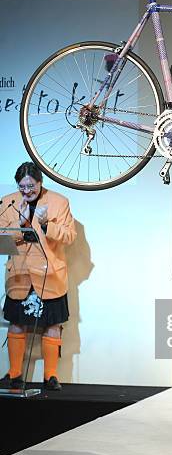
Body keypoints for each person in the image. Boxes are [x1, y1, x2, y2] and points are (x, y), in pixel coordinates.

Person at [0, 162, 76, 390]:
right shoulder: (8, 202)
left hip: (50, 274)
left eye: (31, 186)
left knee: (53, 323)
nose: (26, 191)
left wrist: (46, 226)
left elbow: (70, 236)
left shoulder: (59, 202)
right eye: (22, 186)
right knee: (16, 323)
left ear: (40, 182)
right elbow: (2, 238)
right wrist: (20, 222)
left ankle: (51, 376)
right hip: (20, 273)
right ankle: (14, 374)